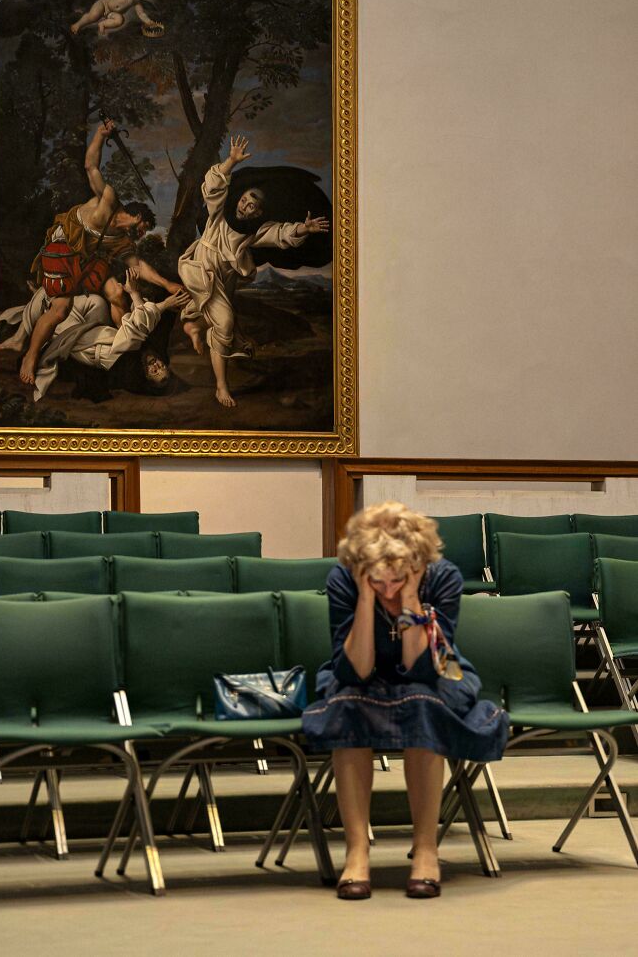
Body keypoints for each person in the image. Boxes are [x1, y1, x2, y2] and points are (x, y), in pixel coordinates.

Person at [302, 502, 509, 900]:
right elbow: (356, 670)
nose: (389, 590)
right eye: (379, 582)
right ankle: (357, 852)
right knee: (348, 704)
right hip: (360, 671)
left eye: (398, 579)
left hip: (434, 670)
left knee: (422, 704)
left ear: (417, 564)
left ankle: (427, 851)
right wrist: (366, 599)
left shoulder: (442, 578)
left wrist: (411, 599)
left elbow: (420, 669)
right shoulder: (344, 580)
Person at [0, 118, 187, 386]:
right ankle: (29, 354)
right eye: (143, 228)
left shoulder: (121, 241)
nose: (142, 235)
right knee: (60, 309)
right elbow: (90, 166)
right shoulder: (108, 200)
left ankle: (127, 345)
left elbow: (138, 264)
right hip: (63, 247)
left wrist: (167, 283)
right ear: (136, 215)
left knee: (118, 293)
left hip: (86, 260)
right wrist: (100, 134)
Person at [178, 135, 329, 407]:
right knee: (224, 322)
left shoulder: (255, 231)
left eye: (254, 205)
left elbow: (280, 234)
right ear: (240, 197)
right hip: (203, 268)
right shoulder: (219, 214)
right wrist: (231, 161)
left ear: (259, 212)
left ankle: (193, 327)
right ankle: (221, 387)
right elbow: (212, 188)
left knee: (220, 316)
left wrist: (304, 228)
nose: (248, 205)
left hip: (227, 276)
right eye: (247, 199)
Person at [0, 268, 182, 401]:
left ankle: (36, 310)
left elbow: (136, 327)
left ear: (146, 378)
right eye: (162, 366)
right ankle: (44, 299)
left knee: (58, 315)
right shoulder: (149, 351)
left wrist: (138, 295)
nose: (156, 365)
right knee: (96, 302)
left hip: (85, 342)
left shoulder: (129, 365)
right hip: (98, 327)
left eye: (155, 372)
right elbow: (138, 323)